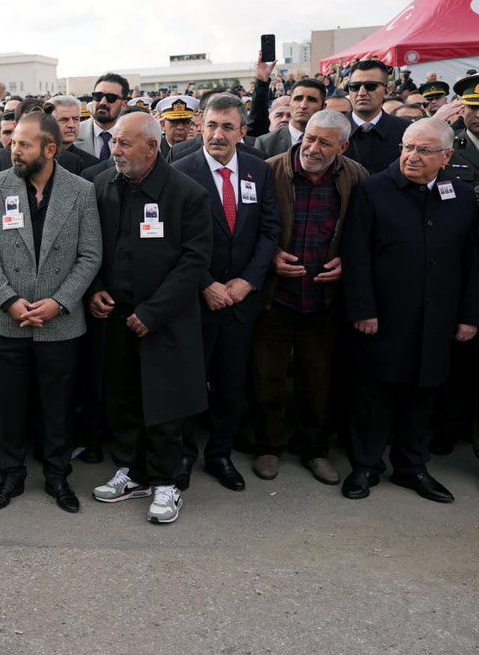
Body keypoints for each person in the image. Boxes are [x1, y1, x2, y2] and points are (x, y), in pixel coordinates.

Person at [340, 118, 478, 503]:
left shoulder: (462, 197)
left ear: (447, 157)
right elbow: (357, 256)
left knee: (424, 394)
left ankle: (412, 466)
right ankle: (366, 466)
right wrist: (363, 308)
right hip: (383, 316)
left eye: (424, 150)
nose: (412, 157)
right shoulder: (374, 190)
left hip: (438, 317)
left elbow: (471, 261)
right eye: (407, 147)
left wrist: (469, 316)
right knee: (374, 395)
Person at [0, 109, 102, 513]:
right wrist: (9, 300)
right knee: (9, 404)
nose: (14, 150)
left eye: (23, 144)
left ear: (49, 149)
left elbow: (90, 254)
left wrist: (58, 302)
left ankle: (58, 476)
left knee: (57, 404)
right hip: (5, 321)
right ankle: (11, 475)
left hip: (59, 323)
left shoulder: (81, 191)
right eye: (13, 143)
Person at [87, 111, 212, 524]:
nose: (115, 150)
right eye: (115, 142)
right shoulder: (104, 184)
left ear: (152, 148)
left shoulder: (187, 194)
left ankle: (166, 482)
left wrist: (153, 312)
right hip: (116, 317)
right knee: (122, 398)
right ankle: (131, 470)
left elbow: (195, 262)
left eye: (124, 144)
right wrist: (97, 288)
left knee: (165, 404)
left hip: (166, 319)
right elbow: (93, 247)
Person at [250, 110, 366, 484]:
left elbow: (364, 234)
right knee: (268, 377)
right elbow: (247, 231)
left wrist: (347, 262)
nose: (312, 148)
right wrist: (270, 259)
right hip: (275, 297)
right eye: (310, 138)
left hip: (322, 299)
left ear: (343, 147)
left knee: (317, 381)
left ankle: (313, 450)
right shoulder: (268, 169)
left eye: (324, 143)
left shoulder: (355, 177)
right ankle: (268, 446)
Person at [172, 94, 280, 491]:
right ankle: (184, 456)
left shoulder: (258, 171)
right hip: (198, 299)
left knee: (232, 384)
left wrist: (248, 281)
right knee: (189, 381)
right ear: (201, 124)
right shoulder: (181, 170)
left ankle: (220, 455)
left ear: (242, 131)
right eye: (213, 125)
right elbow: (175, 239)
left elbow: (270, 231)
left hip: (241, 301)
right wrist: (206, 283)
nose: (218, 135)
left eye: (227, 127)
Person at [343, 60, 410, 174]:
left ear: (387, 89)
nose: (361, 92)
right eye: (355, 86)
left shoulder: (406, 131)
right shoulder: (334, 130)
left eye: (370, 86)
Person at [256, 79, 327, 158]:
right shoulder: (265, 143)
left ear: (323, 107)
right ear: (290, 103)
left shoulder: (332, 141)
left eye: (311, 100)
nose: (303, 106)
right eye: (298, 99)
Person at [76, 73, 129, 159]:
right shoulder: (75, 134)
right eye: (98, 96)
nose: (102, 102)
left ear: (124, 104)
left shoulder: (134, 137)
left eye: (111, 97)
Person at [155, 95, 198, 160]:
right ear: (163, 125)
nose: (180, 127)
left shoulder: (196, 150)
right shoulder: (155, 150)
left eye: (185, 122)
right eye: (174, 122)